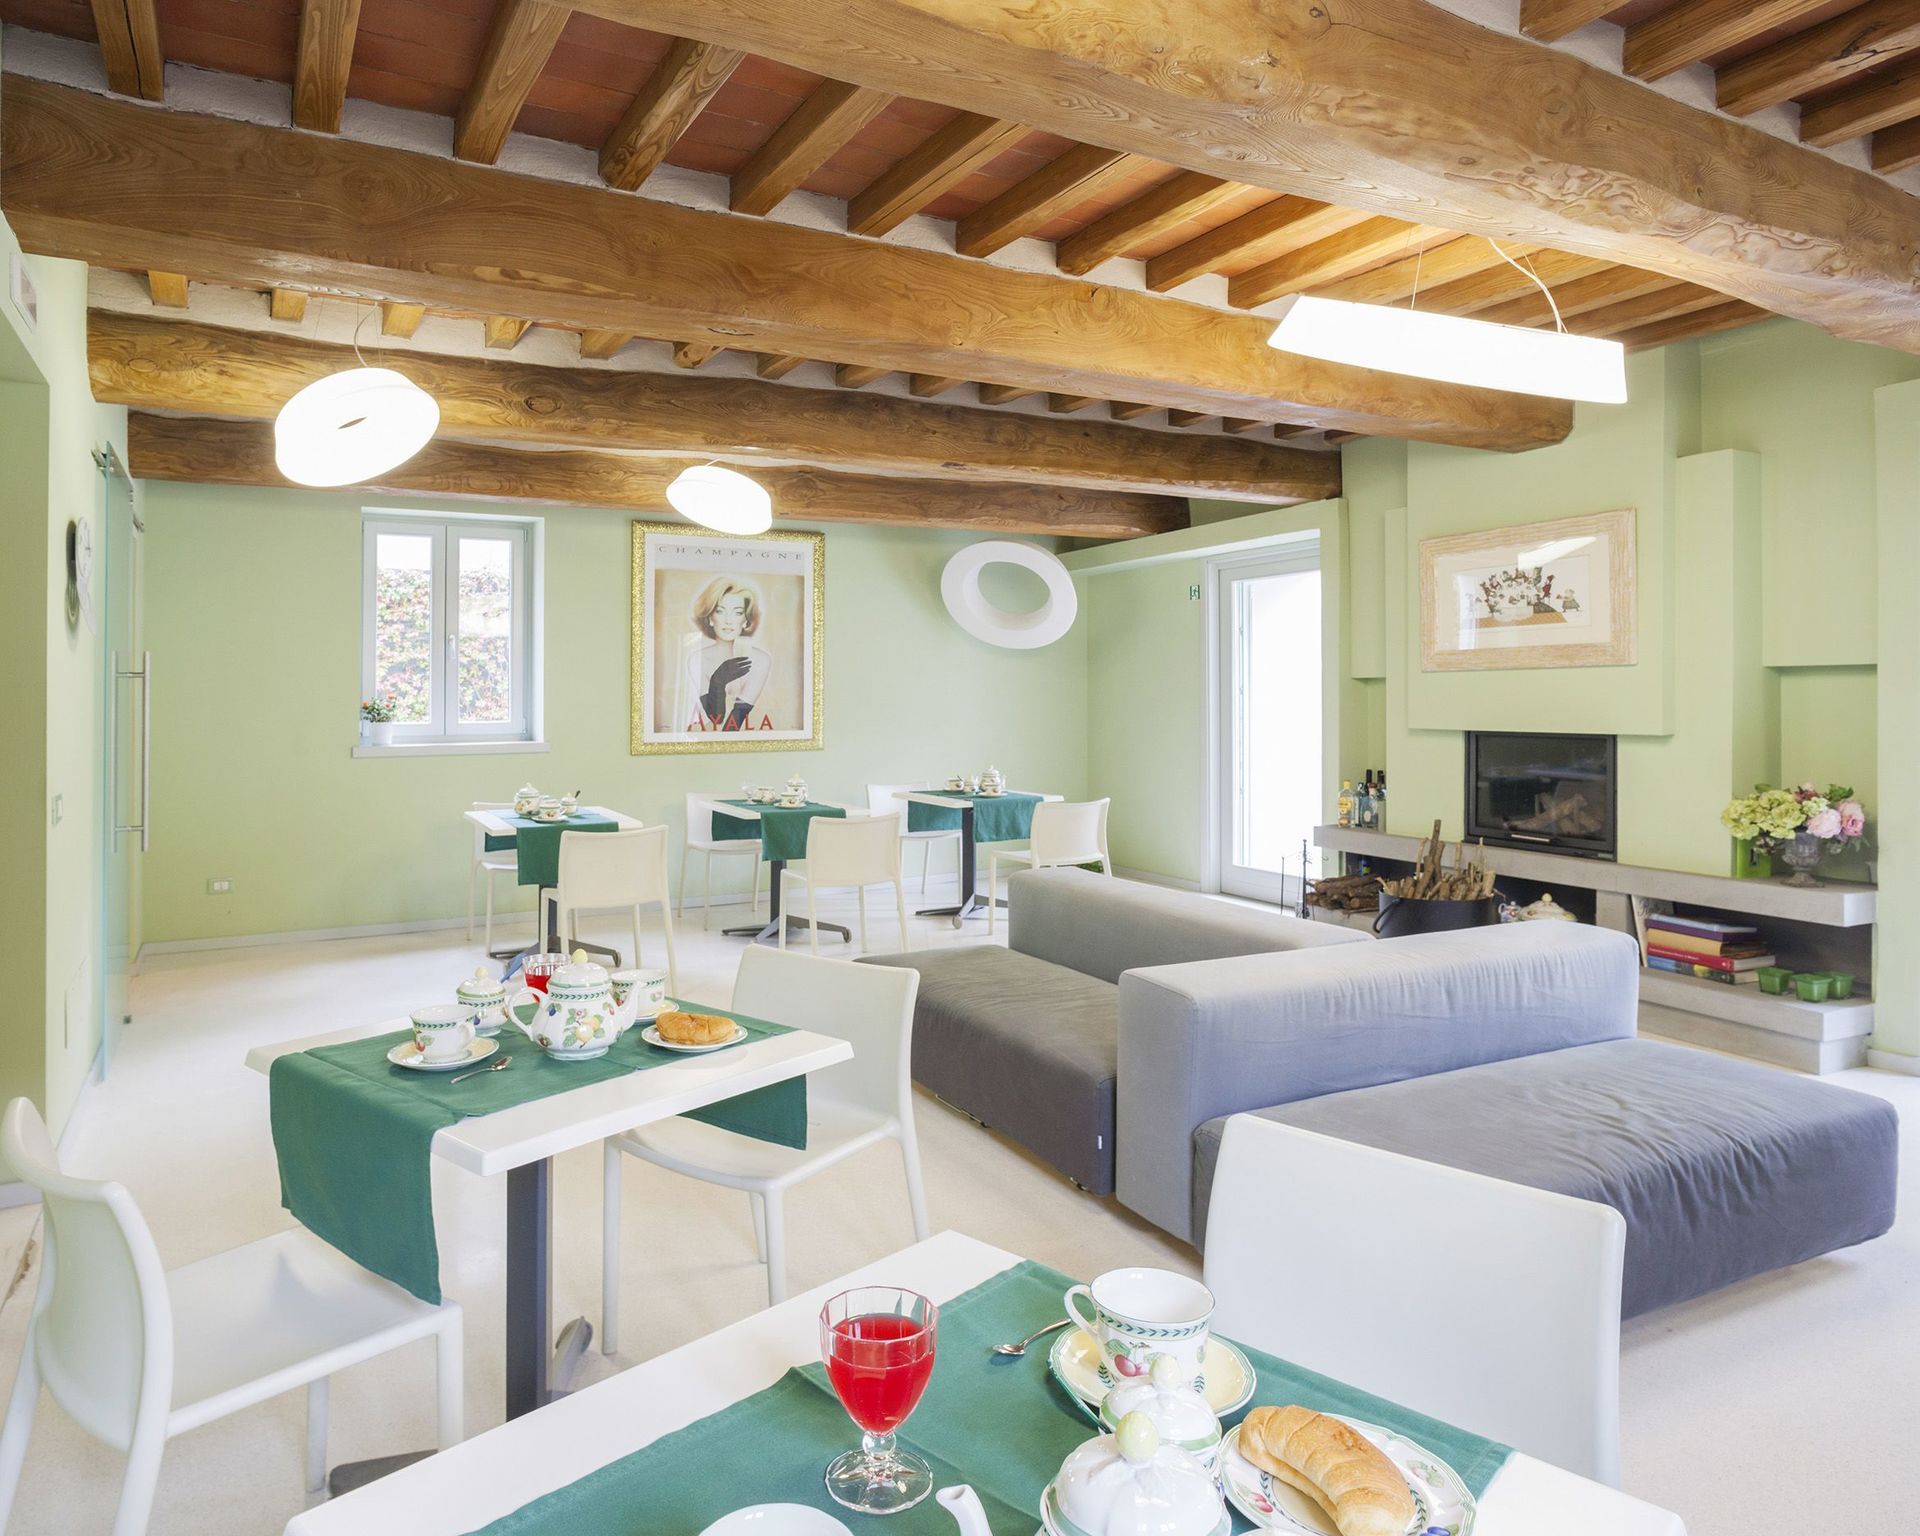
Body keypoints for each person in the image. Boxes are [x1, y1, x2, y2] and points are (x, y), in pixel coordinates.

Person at [677, 576, 772, 731]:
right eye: (720, 611)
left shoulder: (761, 660)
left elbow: (734, 723)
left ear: (746, 620)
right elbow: (717, 718)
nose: (728, 620)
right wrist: (717, 682)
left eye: (737, 612)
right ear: (710, 618)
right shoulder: (697, 659)